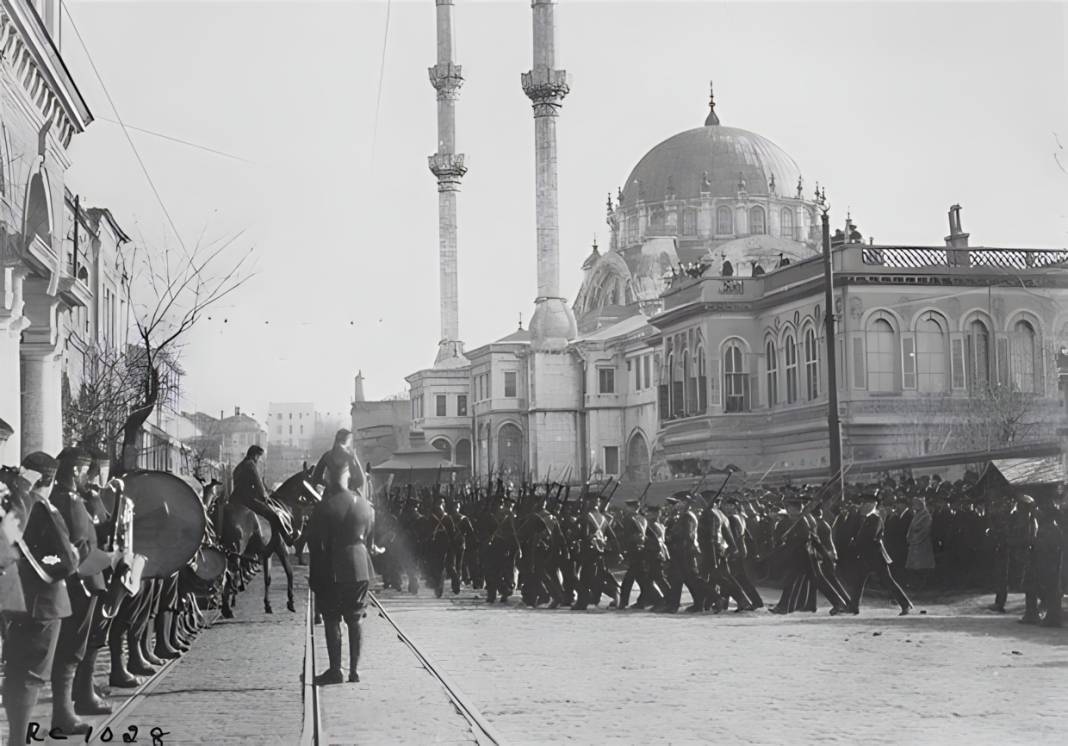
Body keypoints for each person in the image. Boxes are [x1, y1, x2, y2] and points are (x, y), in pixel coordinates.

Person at [305, 454, 377, 684]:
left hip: (332, 568)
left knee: (332, 619)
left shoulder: (324, 506)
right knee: (355, 619)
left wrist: (314, 577)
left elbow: (315, 543)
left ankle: (336, 669)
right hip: (360, 567)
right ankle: (354, 670)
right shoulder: (365, 505)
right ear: (347, 476)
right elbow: (369, 536)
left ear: (329, 478)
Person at [230, 445, 295, 543]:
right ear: (255, 456)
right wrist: (265, 497)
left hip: (235, 498)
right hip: (248, 500)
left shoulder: (239, 466)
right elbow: (258, 484)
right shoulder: (250, 465)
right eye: (259, 457)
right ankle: (287, 538)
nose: (258, 460)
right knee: (274, 515)